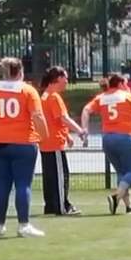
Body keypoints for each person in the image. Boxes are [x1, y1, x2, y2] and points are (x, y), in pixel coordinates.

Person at [0, 57, 49, 237]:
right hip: (23, 142)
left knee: (1, 183)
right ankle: (23, 224)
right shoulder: (27, 90)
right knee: (23, 184)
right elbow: (37, 116)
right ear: (20, 71)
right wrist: (44, 136)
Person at [82, 74, 131, 215]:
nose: (127, 86)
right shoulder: (128, 97)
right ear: (120, 84)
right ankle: (116, 197)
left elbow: (86, 110)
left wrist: (85, 128)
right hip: (125, 137)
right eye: (125, 83)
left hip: (107, 139)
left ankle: (129, 205)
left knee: (121, 172)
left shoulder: (101, 97)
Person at [39, 66, 86, 216]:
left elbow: (53, 120)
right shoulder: (53, 97)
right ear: (58, 78)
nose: (66, 81)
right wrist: (79, 130)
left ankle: (50, 206)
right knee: (61, 176)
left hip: (46, 142)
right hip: (54, 143)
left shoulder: (45, 95)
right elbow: (63, 118)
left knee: (50, 177)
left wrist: (67, 136)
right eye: (65, 77)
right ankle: (62, 207)